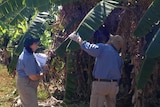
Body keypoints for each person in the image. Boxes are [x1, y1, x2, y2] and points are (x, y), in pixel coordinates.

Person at [69, 32, 123, 107]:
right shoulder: (118, 57)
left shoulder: (104, 48)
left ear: (110, 41)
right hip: (113, 86)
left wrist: (79, 40)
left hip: (101, 84)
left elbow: (90, 48)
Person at [16, 36, 47, 107]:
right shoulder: (27, 58)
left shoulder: (29, 54)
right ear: (31, 45)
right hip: (26, 85)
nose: (37, 44)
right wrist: (42, 74)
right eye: (35, 43)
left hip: (28, 85)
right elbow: (33, 77)